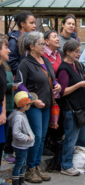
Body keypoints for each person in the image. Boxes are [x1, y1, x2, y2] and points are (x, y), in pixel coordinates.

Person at [16, 31, 61, 183]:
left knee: (42, 138)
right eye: (41, 43)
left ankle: (36, 167)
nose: (44, 46)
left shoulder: (45, 60)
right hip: (34, 106)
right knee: (36, 137)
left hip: (47, 104)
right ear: (31, 46)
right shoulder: (25, 63)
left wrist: (56, 84)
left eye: (43, 43)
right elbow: (19, 84)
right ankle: (30, 170)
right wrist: (33, 99)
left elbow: (51, 78)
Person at [56, 40, 85, 176]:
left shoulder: (77, 65)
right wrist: (80, 85)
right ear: (67, 52)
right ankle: (66, 165)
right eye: (76, 51)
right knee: (71, 138)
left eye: (79, 51)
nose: (79, 54)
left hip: (82, 106)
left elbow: (82, 80)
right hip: (71, 108)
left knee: (81, 139)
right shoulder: (63, 68)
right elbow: (63, 91)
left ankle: (79, 163)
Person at [8, 91, 37, 185]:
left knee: (22, 164)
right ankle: (16, 182)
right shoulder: (18, 117)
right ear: (24, 105)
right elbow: (16, 133)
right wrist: (27, 138)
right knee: (19, 165)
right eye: (29, 104)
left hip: (23, 145)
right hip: (21, 145)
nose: (30, 105)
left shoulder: (21, 114)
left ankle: (21, 181)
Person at [7, 11, 36, 75]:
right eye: (31, 23)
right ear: (22, 24)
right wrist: (27, 73)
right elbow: (11, 63)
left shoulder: (31, 39)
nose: (34, 26)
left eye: (34, 23)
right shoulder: (14, 40)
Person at [0, 35, 11, 185]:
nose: (9, 50)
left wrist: (2, 113)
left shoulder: (2, 67)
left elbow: (2, 93)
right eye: (6, 47)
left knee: (0, 145)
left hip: (1, 110)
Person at [2, 61, 15, 164]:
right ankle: (6, 152)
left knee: (6, 133)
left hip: (9, 103)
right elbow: (2, 86)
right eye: (6, 47)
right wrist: (12, 86)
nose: (9, 50)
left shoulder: (5, 64)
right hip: (3, 105)